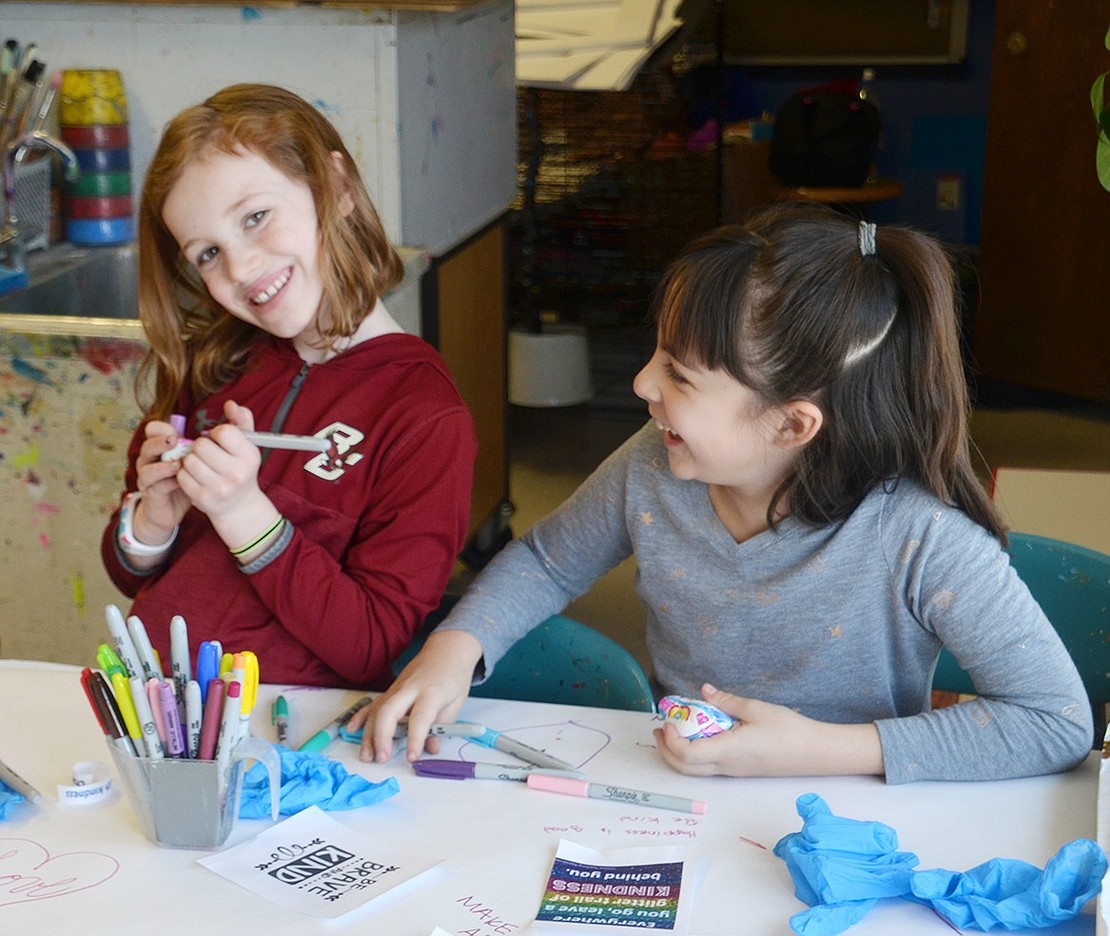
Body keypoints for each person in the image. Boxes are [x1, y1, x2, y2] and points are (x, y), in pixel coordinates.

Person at [351, 203, 1092, 783]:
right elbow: (547, 560)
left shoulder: (921, 540)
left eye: (679, 374)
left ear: (791, 423)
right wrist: (456, 646)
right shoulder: (652, 467)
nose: (642, 385)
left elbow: (1057, 723)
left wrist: (819, 751)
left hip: (852, 811)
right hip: (683, 797)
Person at [101, 84, 477, 689]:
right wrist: (153, 522)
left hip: (293, 736)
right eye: (206, 254)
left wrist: (243, 512)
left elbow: (371, 645)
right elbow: (131, 573)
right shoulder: (212, 365)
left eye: (256, 218)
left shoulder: (423, 416)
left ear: (340, 188)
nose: (241, 268)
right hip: (156, 714)